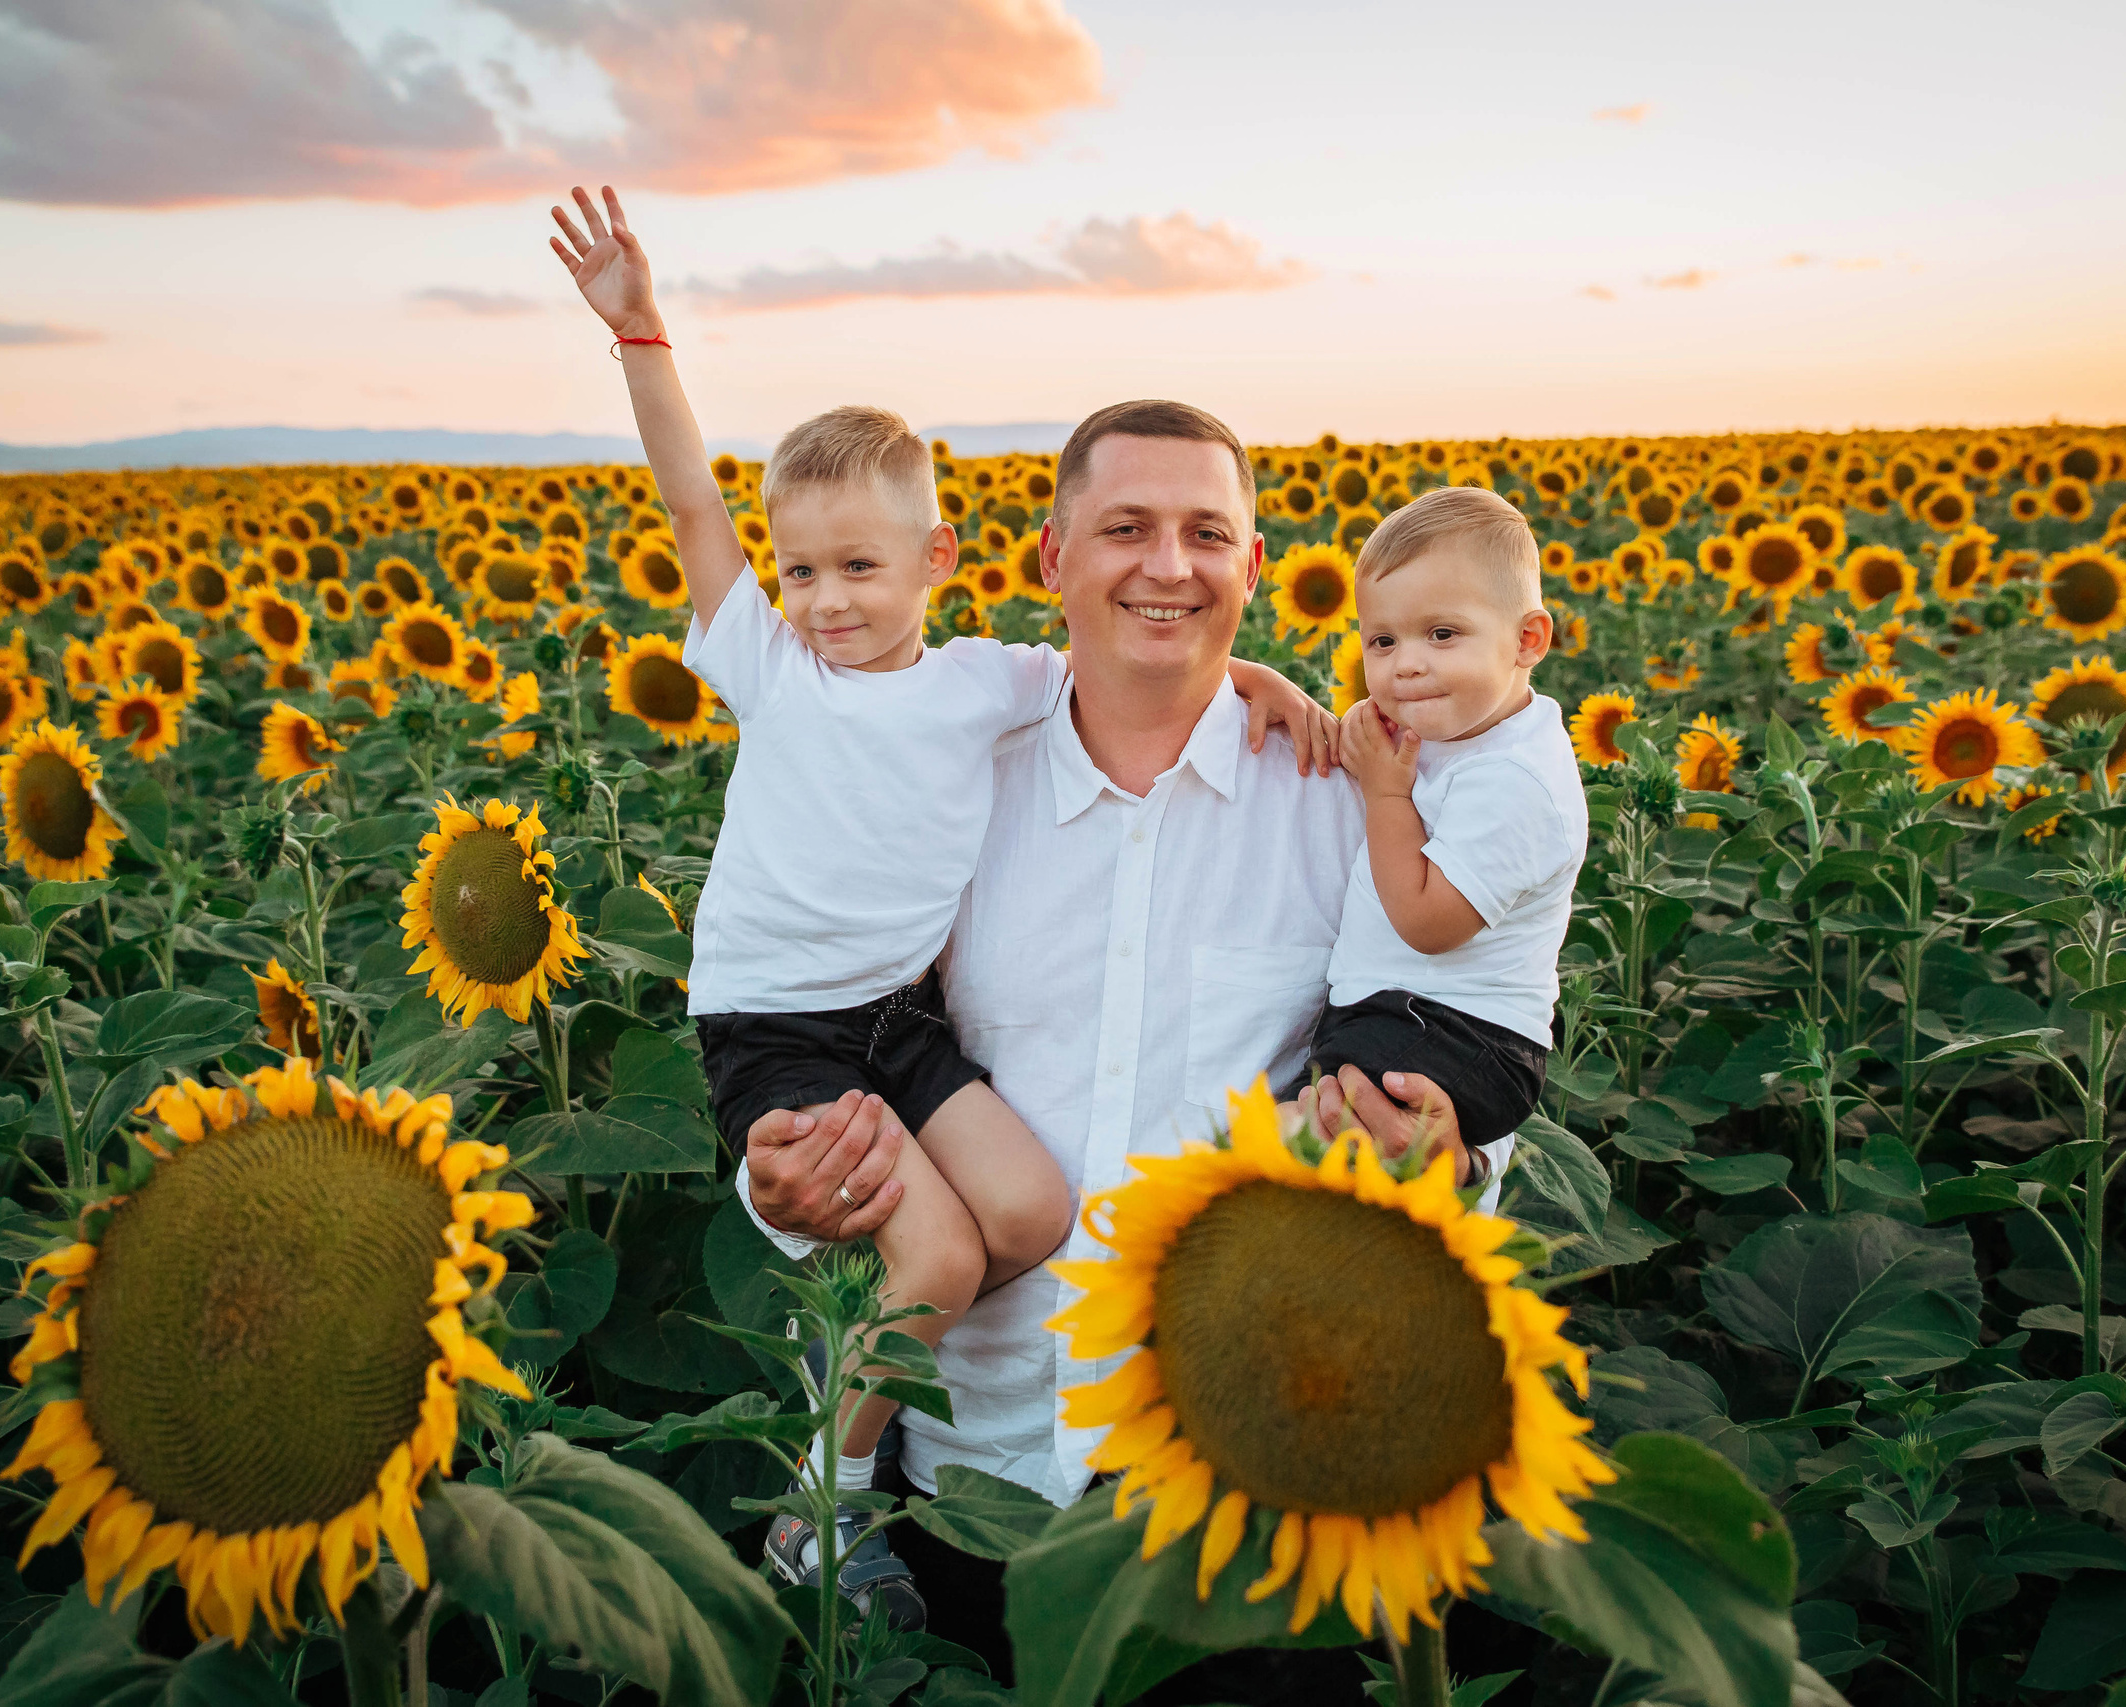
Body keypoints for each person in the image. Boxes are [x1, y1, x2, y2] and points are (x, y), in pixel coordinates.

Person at [545, 188, 1339, 1629]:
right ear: (1051, 557)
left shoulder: (1000, 687)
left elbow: (1152, 658)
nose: (826, 599)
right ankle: (823, 1511)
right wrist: (642, 336)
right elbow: (690, 506)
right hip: (780, 1025)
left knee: (1025, 1206)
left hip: (907, 1038)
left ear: (945, 561)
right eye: (803, 570)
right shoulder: (775, 670)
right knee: (945, 1252)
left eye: (858, 566)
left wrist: (1268, 681)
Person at [738, 399, 1518, 1678]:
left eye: (1206, 533)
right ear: (1051, 559)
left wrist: (1453, 1153)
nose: (1168, 566)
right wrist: (784, 1184)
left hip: (1246, 1479)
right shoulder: (938, 786)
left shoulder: (1351, 807)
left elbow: (1461, 1034)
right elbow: (823, 1026)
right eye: (1125, 529)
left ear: (1252, 569)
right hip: (972, 1474)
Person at [1295, 486, 1584, 1166]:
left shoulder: (1516, 778)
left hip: (1459, 1037)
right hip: (1409, 1019)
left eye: (1442, 634)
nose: (1407, 663)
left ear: (1527, 639)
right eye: (1382, 640)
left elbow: (1429, 924)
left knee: (1282, 1140)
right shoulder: (1460, 732)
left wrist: (1386, 792)